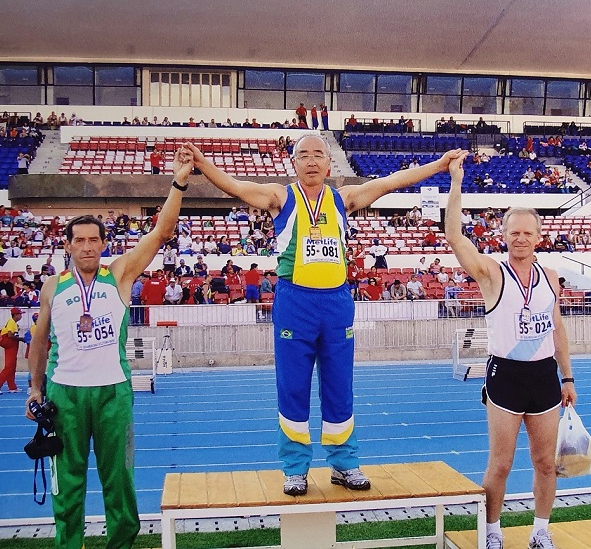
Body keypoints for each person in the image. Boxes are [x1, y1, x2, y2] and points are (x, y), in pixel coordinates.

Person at [183, 135, 464, 496]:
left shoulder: (343, 199)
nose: (312, 161)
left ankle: (344, 463)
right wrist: (202, 162)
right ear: (294, 163)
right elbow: (236, 186)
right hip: (294, 302)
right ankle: (295, 467)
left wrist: (439, 165)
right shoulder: (280, 197)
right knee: (293, 386)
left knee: (339, 385)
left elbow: (392, 181)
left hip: (336, 303)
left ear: (329, 163)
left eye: (319, 154)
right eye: (304, 155)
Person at [25, 149, 193, 549]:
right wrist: (35, 389)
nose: (87, 246)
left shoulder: (119, 273)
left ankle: (120, 544)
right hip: (64, 393)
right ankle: (70, 545)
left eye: (94, 240)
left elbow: (161, 233)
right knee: (69, 481)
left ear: (103, 244)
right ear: (67, 245)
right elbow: (39, 341)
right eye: (79, 240)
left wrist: (179, 182)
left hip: (114, 391)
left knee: (118, 478)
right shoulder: (53, 287)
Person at [445, 152, 576, 549]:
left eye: (527, 233)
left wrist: (567, 376)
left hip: (544, 378)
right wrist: (455, 183)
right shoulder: (491, 273)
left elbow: (557, 328)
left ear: (539, 237)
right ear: (504, 235)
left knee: (545, 462)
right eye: (513, 232)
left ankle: (540, 530)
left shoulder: (550, 276)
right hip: (505, 376)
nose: (520, 238)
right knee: (500, 464)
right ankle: (493, 532)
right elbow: (454, 237)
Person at [0, 307, 24, 394]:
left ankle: (12, 387)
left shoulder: (13, 323)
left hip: (12, 346)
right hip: (11, 345)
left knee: (12, 366)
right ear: (16, 315)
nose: (21, 316)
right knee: (9, 366)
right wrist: (21, 339)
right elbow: (10, 335)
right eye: (20, 314)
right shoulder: (11, 322)